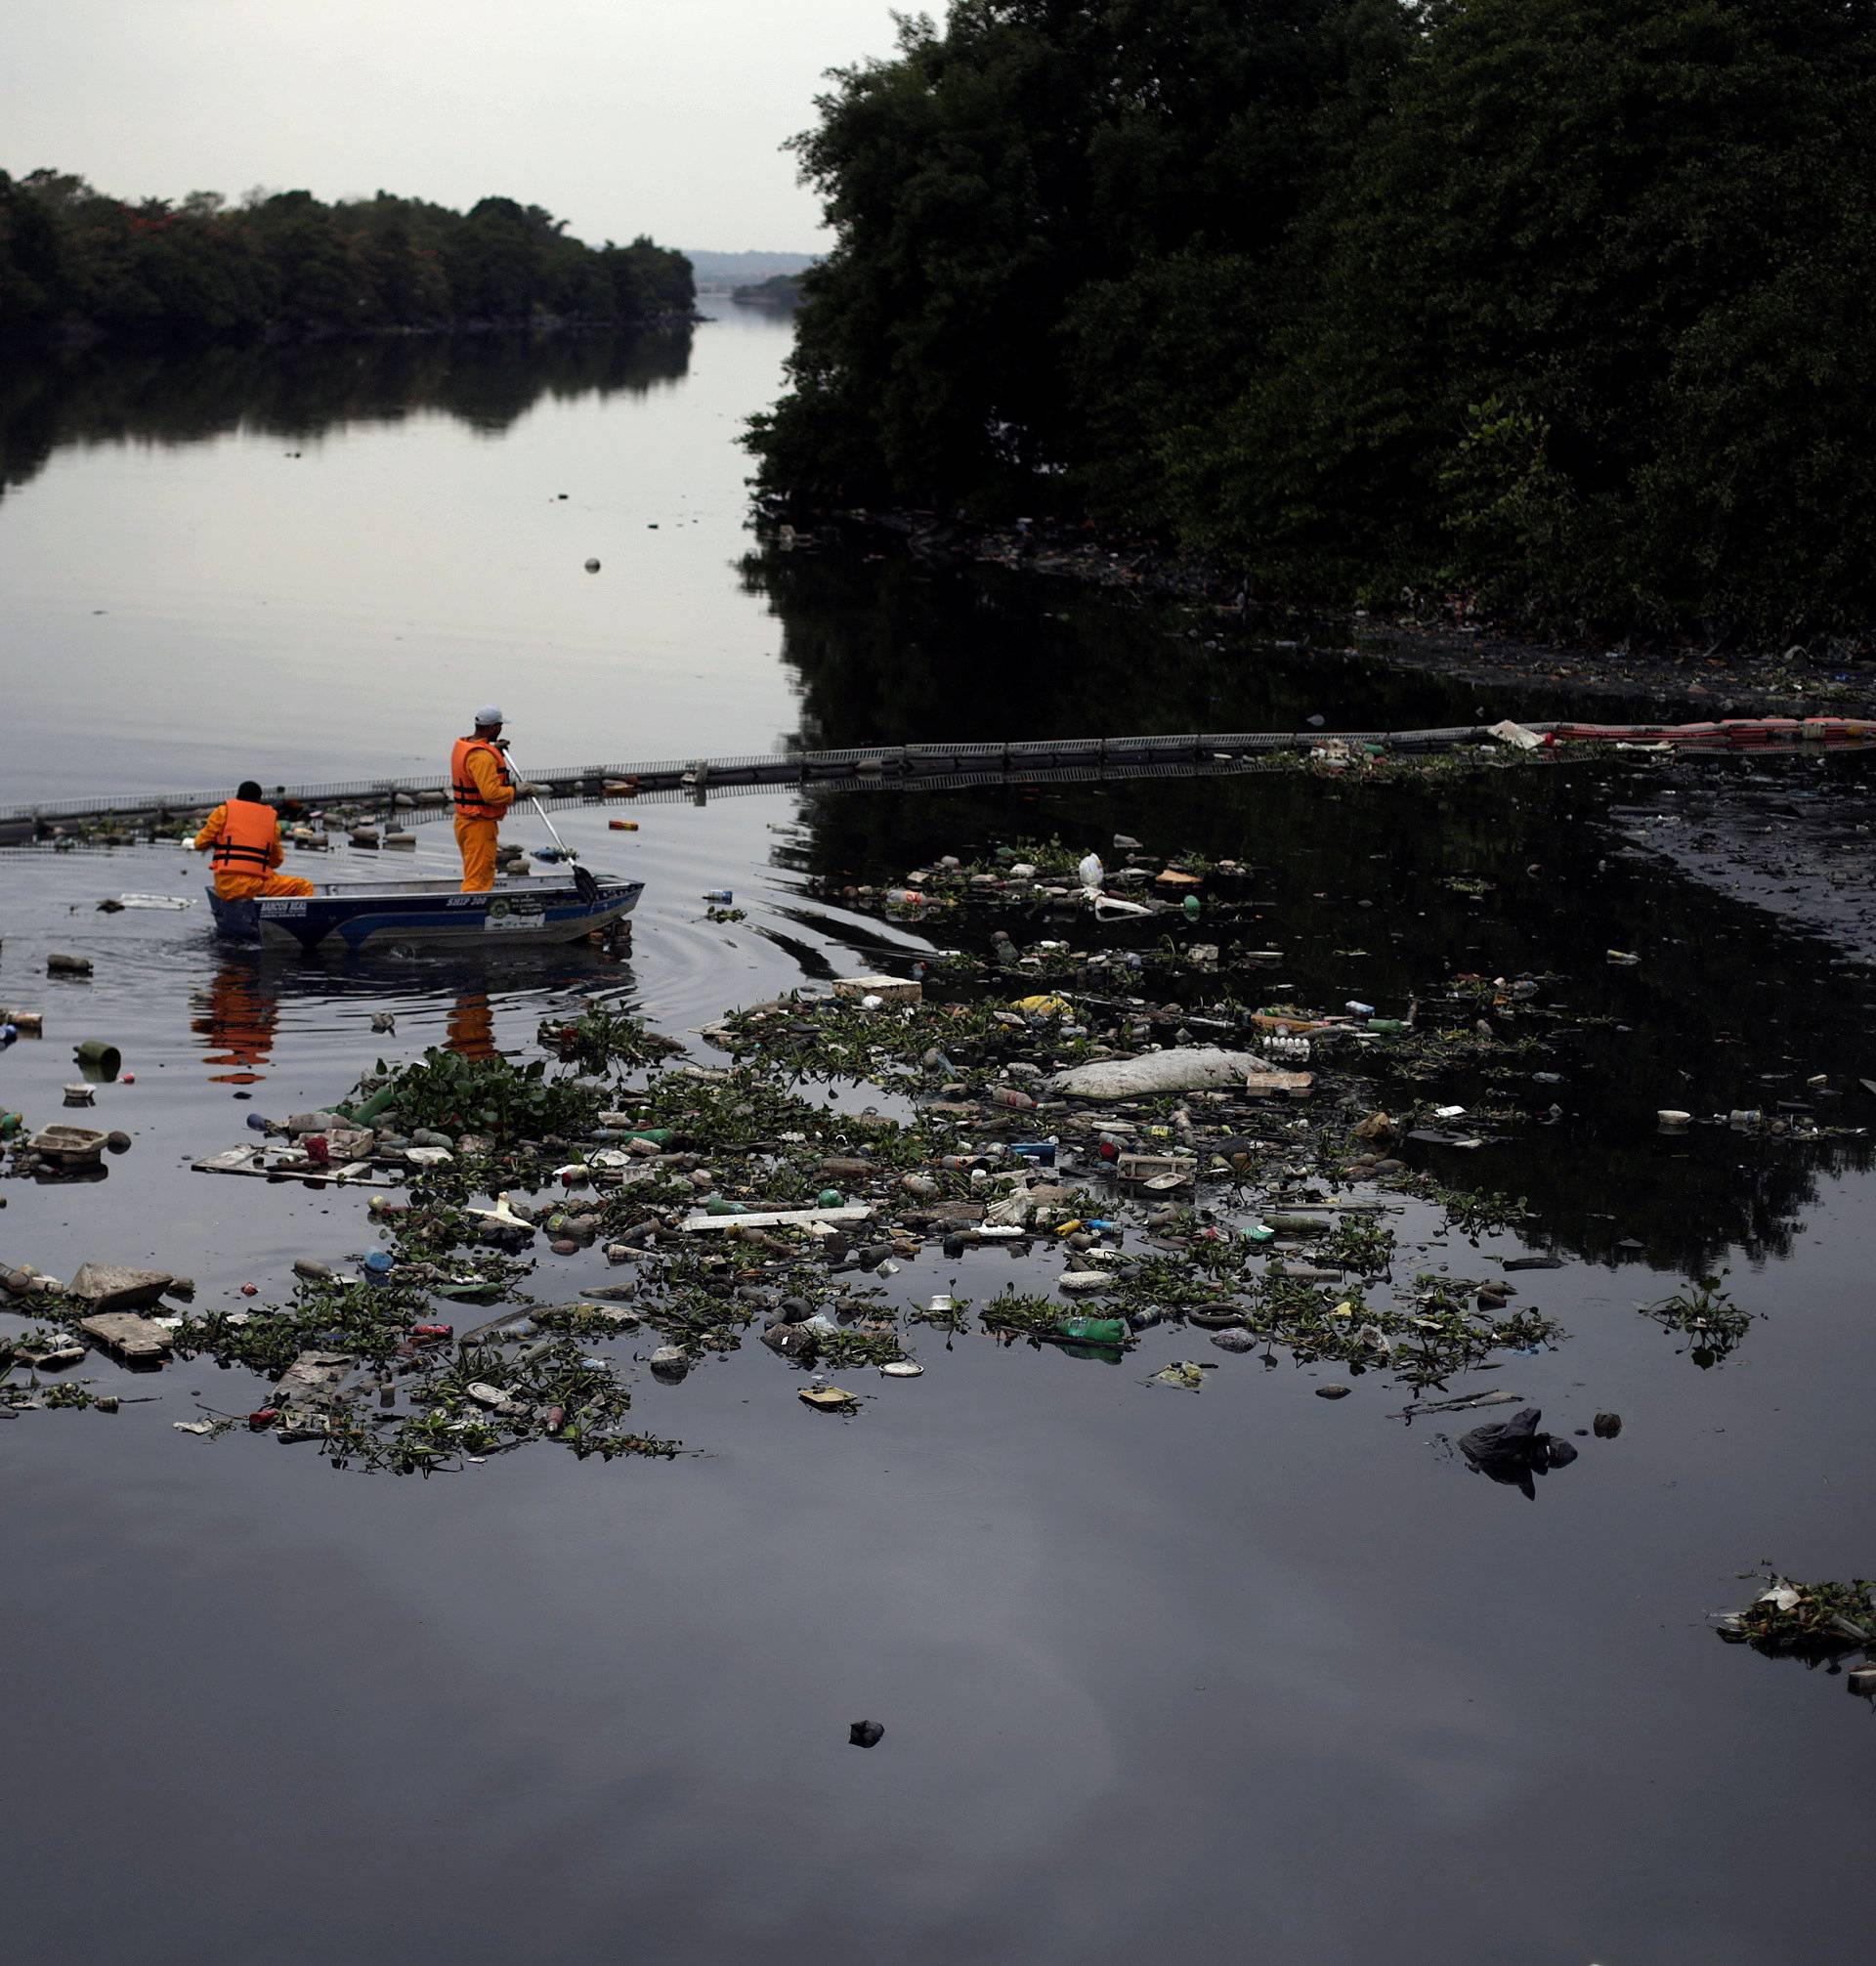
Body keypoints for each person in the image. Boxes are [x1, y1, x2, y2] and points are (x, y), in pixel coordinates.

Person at [192, 782, 315, 900]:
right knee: (303, 887)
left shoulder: (222, 812)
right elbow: (276, 861)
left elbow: (199, 844)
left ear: (237, 797)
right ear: (259, 800)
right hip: (255, 887)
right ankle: (288, 920)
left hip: (225, 887)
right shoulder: (271, 821)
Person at [451, 705, 516, 892]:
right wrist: (516, 792)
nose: (501, 729)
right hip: (478, 825)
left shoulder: (466, 745)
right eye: (500, 726)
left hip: (465, 821)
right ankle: (472, 915)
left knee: (475, 872)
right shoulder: (481, 757)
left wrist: (493, 748)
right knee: (478, 881)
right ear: (493, 728)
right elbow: (491, 794)